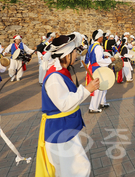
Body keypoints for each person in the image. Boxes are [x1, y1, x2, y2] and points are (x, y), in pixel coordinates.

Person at [35, 33, 100, 177]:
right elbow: (64, 104)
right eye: (74, 51)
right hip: (60, 130)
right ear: (66, 55)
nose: (77, 54)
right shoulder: (54, 77)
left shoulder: (61, 72)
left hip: (63, 128)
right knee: (79, 169)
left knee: (68, 171)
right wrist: (87, 89)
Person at [86, 29, 115, 113]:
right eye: (102, 37)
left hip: (94, 67)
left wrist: (104, 57)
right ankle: (93, 107)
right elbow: (99, 60)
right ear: (99, 38)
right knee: (98, 89)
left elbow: (95, 58)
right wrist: (110, 60)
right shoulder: (98, 47)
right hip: (98, 68)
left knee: (103, 87)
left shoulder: (92, 45)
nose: (103, 39)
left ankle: (103, 102)